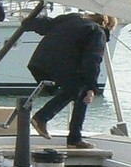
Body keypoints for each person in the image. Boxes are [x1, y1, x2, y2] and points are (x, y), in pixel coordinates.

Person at [25, 11, 117, 149]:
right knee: (78, 91)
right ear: (108, 26)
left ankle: (74, 138)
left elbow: (46, 24)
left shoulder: (72, 17)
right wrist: (92, 87)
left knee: (78, 89)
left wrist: (28, 23)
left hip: (40, 63)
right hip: (58, 65)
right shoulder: (98, 32)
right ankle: (42, 118)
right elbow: (93, 60)